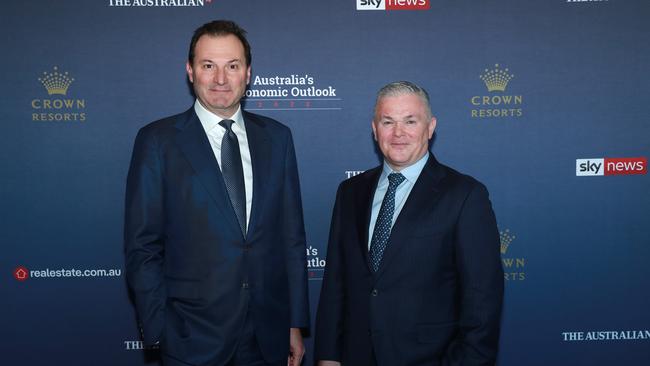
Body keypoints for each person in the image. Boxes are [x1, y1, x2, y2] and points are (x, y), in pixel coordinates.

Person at [124, 20, 309, 366]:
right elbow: (142, 245)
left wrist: (294, 322)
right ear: (190, 71)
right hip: (190, 338)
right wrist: (160, 329)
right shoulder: (157, 141)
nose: (220, 79)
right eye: (209, 66)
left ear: (248, 74)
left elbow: (291, 238)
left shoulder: (278, 138)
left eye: (232, 66)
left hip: (266, 337)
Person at [314, 81, 504, 366]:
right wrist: (328, 356)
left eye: (410, 121)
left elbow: (482, 300)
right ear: (374, 128)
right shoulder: (350, 192)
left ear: (430, 127)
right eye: (387, 121)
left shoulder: (465, 195)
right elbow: (335, 283)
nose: (398, 133)